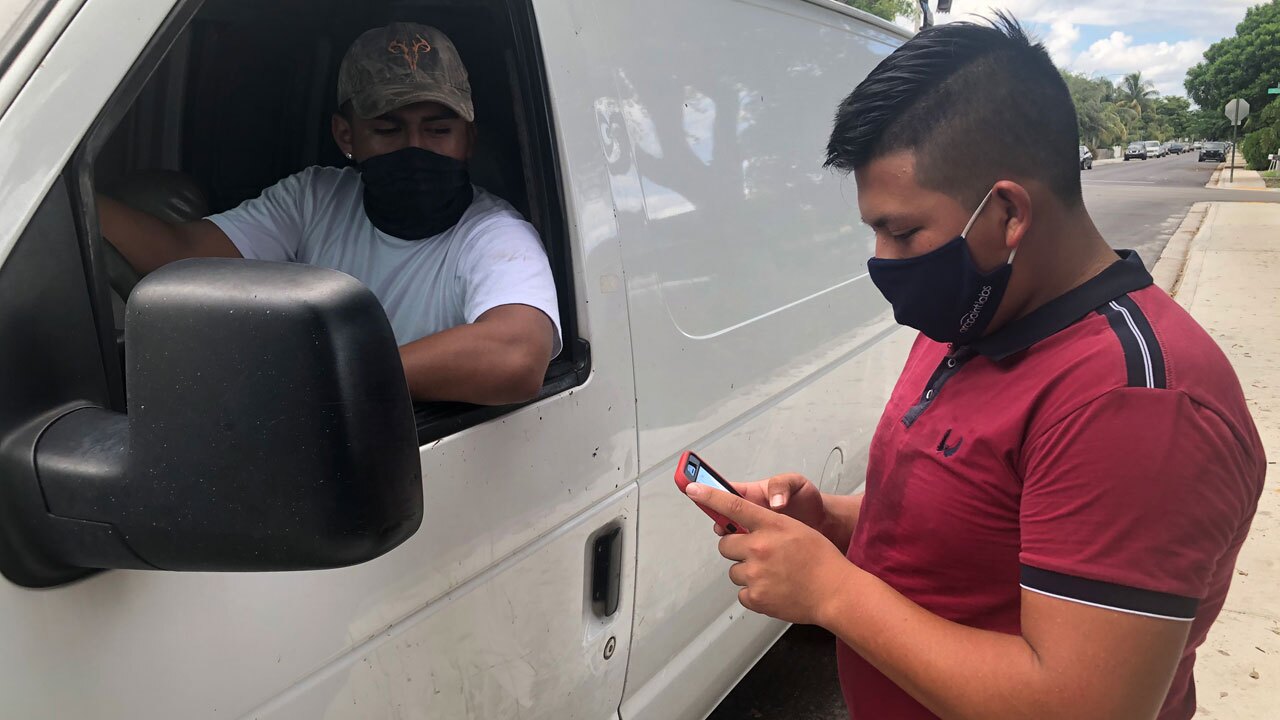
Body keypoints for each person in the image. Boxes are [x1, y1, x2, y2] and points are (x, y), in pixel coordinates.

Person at [684, 15, 1265, 720]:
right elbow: (975, 514)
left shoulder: (1136, 402)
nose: (884, 262)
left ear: (1009, 212)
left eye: (902, 232)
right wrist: (833, 524)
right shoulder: (973, 315)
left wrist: (830, 591)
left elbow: (1082, 706)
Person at [98, 22, 560, 406]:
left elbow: (517, 355)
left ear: (469, 141)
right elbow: (180, 256)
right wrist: (67, 195)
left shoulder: (495, 236)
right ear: (346, 136)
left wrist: (322, 377)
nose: (415, 148)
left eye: (438, 130)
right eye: (388, 129)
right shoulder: (316, 198)